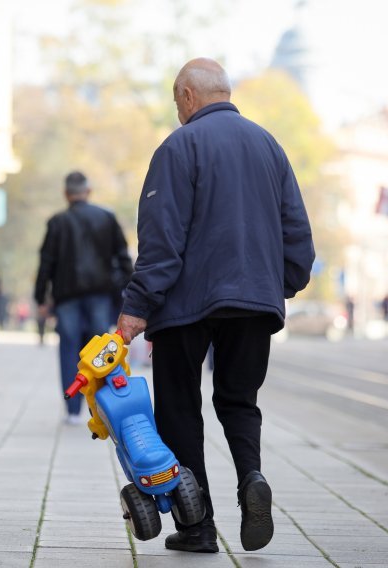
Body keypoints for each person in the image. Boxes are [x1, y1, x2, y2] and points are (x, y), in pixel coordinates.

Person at [117, 58, 314, 554]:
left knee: (181, 405)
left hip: (188, 304)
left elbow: (161, 239)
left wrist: (137, 306)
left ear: (187, 95)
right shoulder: (270, 145)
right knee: (238, 400)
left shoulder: (179, 147)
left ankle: (198, 527)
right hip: (253, 301)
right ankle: (251, 478)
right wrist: (277, 285)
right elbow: (299, 238)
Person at [34, 170, 133, 425]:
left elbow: (46, 262)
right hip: (100, 295)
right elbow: (122, 257)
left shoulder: (57, 222)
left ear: (66, 194)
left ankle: (73, 409)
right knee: (101, 352)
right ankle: (101, 406)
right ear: (88, 192)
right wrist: (127, 291)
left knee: (69, 349)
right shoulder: (107, 217)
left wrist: (40, 296)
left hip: (66, 296)